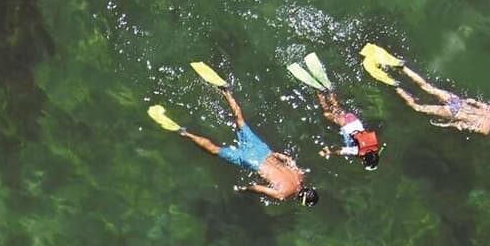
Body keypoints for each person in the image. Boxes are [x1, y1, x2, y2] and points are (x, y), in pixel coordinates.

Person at [163, 77, 319, 205]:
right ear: (301, 201)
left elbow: (289, 159)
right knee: (214, 150)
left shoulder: (300, 175)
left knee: (240, 120)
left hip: (263, 150)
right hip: (250, 161)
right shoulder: (282, 194)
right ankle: (185, 133)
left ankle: (226, 91)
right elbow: (258, 188)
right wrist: (244, 189)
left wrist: (276, 155)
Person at [391, 66, 490, 135]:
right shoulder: (485, 130)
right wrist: (446, 125)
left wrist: (466, 100)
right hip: (453, 112)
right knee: (417, 107)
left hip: (457, 101)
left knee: (427, 86)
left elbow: (474, 101)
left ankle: (403, 67)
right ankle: (395, 86)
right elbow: (464, 125)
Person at [313, 91, 381, 169]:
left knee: (336, 108)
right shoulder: (356, 151)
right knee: (326, 114)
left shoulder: (373, 146)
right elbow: (341, 150)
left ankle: (330, 92)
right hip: (345, 125)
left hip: (354, 120)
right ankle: (319, 94)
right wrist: (329, 153)